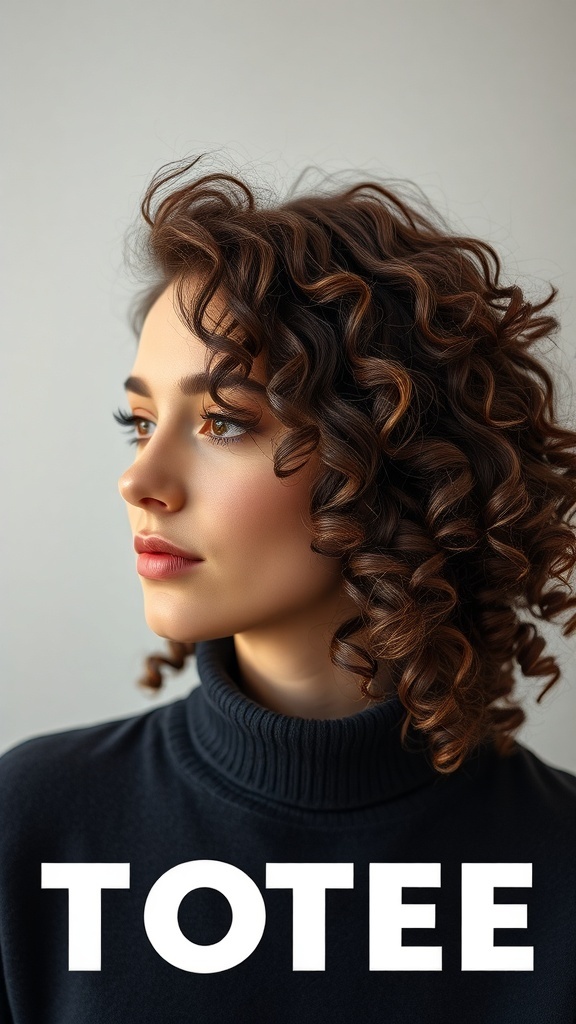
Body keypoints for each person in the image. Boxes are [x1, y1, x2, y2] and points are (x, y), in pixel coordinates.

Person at [1, 155, 575, 1023]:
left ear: (391, 457)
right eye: (140, 423)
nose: (139, 481)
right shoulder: (35, 825)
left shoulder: (559, 868)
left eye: (223, 421)